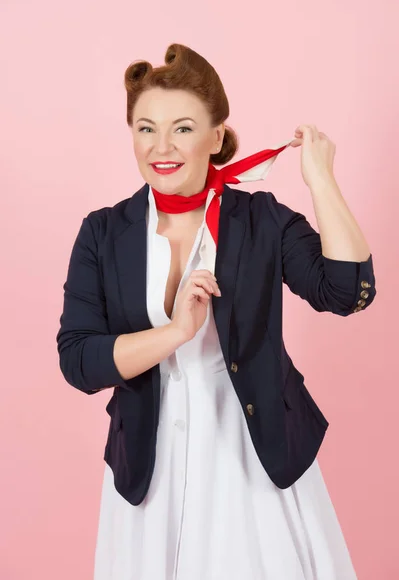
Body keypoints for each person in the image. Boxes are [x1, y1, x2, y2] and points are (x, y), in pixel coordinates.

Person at [56, 43, 376, 580]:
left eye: (182, 128)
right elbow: (79, 360)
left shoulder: (261, 220)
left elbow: (347, 292)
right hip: (148, 470)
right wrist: (177, 332)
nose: (162, 146)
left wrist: (319, 177)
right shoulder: (104, 231)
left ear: (217, 136)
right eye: (144, 128)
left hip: (255, 454)